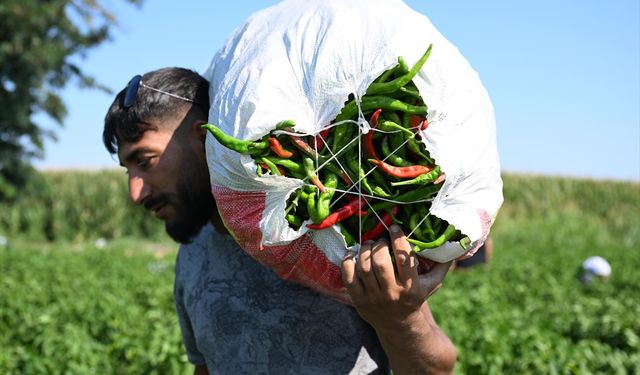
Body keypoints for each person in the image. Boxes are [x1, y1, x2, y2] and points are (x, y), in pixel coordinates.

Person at [103, 67, 456, 374]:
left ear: (202, 139)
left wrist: (399, 321)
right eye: (127, 170)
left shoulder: (324, 238)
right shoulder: (193, 255)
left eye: (145, 161)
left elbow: (436, 369)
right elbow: (208, 366)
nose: (135, 193)